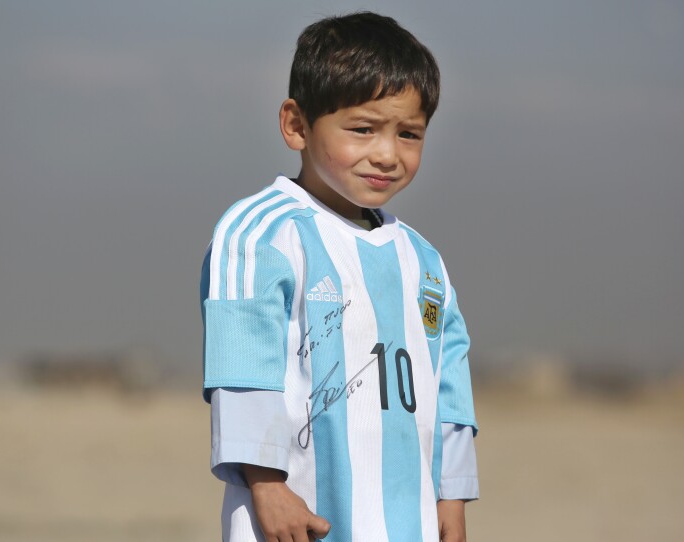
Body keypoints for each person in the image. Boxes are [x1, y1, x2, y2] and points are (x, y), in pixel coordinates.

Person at [200, 12, 479, 542]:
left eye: (409, 134)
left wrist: (452, 494)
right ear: (296, 125)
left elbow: (449, 382)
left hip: (406, 522)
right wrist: (266, 484)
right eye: (363, 129)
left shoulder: (424, 261)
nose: (387, 154)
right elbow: (241, 364)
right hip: (297, 514)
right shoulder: (262, 232)